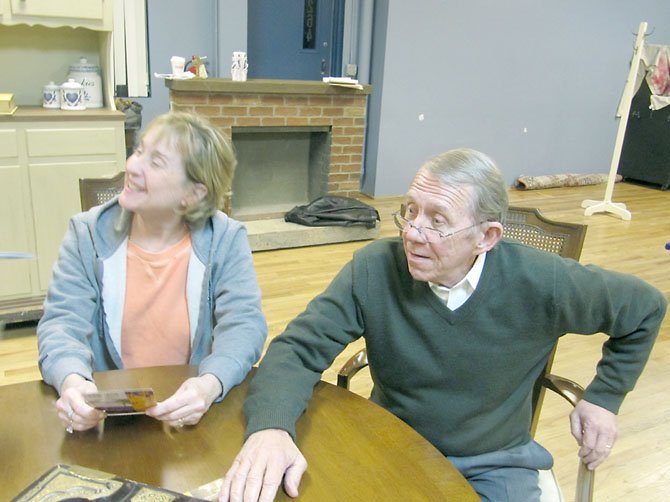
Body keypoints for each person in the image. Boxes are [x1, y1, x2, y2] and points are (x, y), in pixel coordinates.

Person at [218, 148, 666, 501]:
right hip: (391, 444)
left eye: (438, 221)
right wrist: (271, 428)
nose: (412, 233)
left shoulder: (543, 281)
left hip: (495, 463)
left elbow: (645, 308)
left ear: (486, 237)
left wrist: (604, 399)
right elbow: (296, 349)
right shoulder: (375, 268)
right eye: (410, 211)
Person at [37, 111, 267, 434]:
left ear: (194, 194)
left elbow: (245, 326)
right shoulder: (87, 233)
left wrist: (209, 384)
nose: (131, 166)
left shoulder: (226, 239)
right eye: (139, 151)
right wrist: (74, 384)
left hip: (191, 419)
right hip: (109, 426)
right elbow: (61, 326)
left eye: (155, 162)